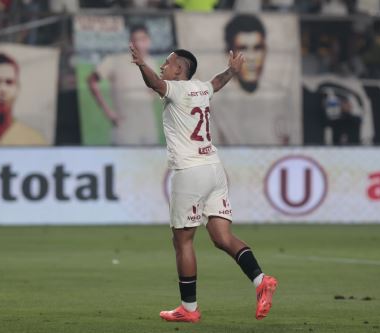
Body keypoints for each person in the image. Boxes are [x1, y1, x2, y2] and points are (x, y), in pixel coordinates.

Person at [129, 43, 278, 322]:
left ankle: (189, 308)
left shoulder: (178, 89)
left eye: (168, 62)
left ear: (179, 70)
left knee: (182, 241)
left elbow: (155, 84)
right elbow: (217, 83)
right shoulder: (200, 88)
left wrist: (141, 64)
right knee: (222, 237)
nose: (163, 66)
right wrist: (232, 71)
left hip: (190, 172)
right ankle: (261, 281)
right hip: (214, 169)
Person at [210, 13, 299, 145]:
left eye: (257, 48)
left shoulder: (281, 96)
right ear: (228, 54)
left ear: (265, 51)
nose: (251, 58)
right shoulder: (215, 103)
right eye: (243, 49)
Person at [87, 24, 159, 145]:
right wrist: (108, 112)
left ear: (148, 41)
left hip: (148, 125)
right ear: (130, 42)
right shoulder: (115, 60)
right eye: (135, 40)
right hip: (125, 126)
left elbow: (155, 90)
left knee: (150, 161)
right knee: (126, 160)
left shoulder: (152, 63)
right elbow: (92, 81)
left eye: (142, 39)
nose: (139, 43)